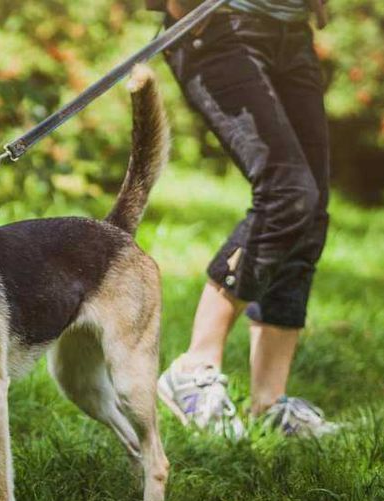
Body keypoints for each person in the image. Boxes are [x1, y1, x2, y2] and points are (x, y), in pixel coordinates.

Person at [148, 0, 338, 437]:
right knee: (287, 194)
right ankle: (194, 366)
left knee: (310, 213)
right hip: (221, 28)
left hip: (292, 32)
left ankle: (269, 403)